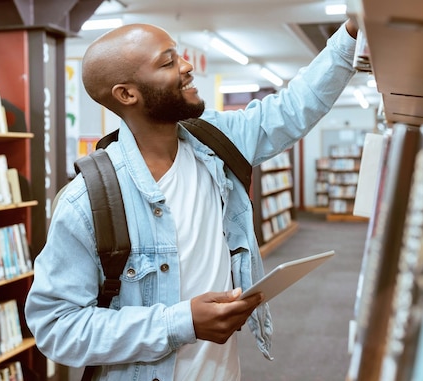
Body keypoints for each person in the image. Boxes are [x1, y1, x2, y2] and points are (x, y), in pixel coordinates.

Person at [25, 18, 359, 381]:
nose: (186, 67)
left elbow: (293, 108)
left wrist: (351, 33)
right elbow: (57, 327)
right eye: (167, 62)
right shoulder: (87, 201)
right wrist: (179, 323)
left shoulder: (213, 143)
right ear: (126, 94)